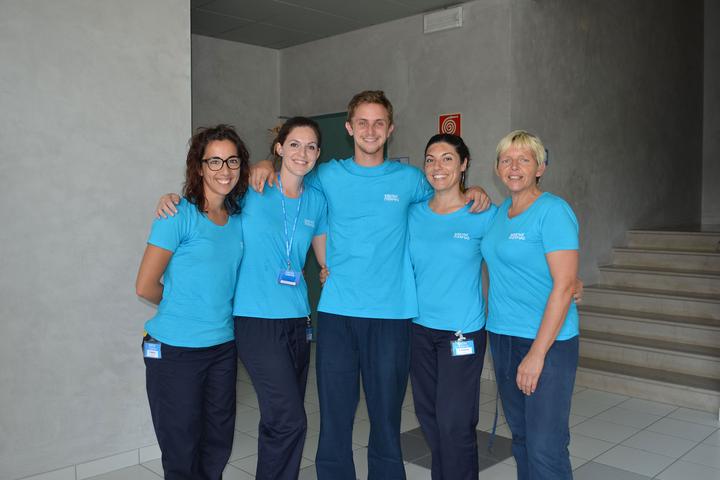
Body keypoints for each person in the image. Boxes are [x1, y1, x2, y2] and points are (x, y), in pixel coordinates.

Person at [250, 90, 491, 480]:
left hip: (392, 317)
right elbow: (291, 173)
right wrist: (264, 162)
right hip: (338, 314)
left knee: (385, 420)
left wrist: (475, 190)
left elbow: (447, 193)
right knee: (335, 419)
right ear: (349, 128)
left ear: (390, 129)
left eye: (379, 122)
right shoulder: (328, 175)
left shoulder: (410, 180)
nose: (370, 130)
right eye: (362, 122)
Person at [155, 117, 328, 480]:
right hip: (255, 320)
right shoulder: (252, 187)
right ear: (278, 148)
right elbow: (213, 191)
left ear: (318, 154)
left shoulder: (316, 201)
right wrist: (173, 199)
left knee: (279, 417)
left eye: (311, 146)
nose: (303, 153)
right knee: (290, 420)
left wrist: (331, 272)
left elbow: (325, 260)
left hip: (298, 320)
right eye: (294, 144)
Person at [136, 125, 249, 480]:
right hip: (175, 350)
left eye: (232, 160)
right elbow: (145, 286)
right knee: (181, 448)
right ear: (198, 167)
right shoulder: (177, 215)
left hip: (222, 347)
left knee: (217, 442)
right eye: (214, 161)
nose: (224, 170)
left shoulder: (238, 220)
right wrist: (181, 306)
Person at [481, 130, 579, 480]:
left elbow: (565, 285)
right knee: (522, 438)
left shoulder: (553, 211)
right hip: (502, 336)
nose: (514, 167)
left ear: (540, 168)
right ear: (497, 168)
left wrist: (537, 354)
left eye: (524, 159)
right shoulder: (499, 213)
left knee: (545, 447)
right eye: (506, 160)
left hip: (547, 341)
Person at [407, 133, 497, 480]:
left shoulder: (483, 214)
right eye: (430, 159)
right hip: (418, 329)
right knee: (428, 415)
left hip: (463, 332)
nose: (437, 166)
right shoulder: (413, 213)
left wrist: (564, 279)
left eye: (447, 158)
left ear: (463, 165)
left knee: (455, 421)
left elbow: (512, 253)